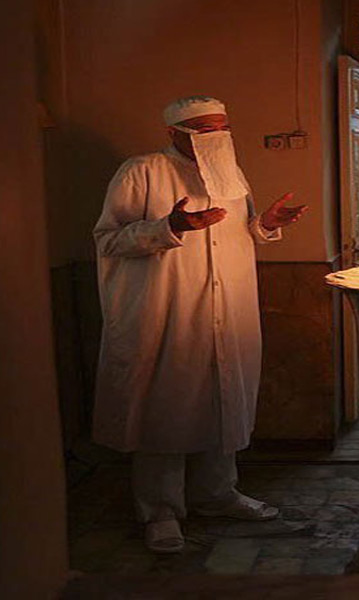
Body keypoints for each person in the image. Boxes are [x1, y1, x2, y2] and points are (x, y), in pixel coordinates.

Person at [92, 96, 308, 554]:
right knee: (165, 405)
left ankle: (217, 494)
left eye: (221, 129)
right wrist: (168, 227)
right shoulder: (142, 171)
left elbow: (241, 233)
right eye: (203, 131)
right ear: (174, 134)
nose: (216, 139)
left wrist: (265, 223)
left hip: (227, 306)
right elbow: (109, 240)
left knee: (224, 398)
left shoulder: (232, 175)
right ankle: (161, 510)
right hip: (168, 309)